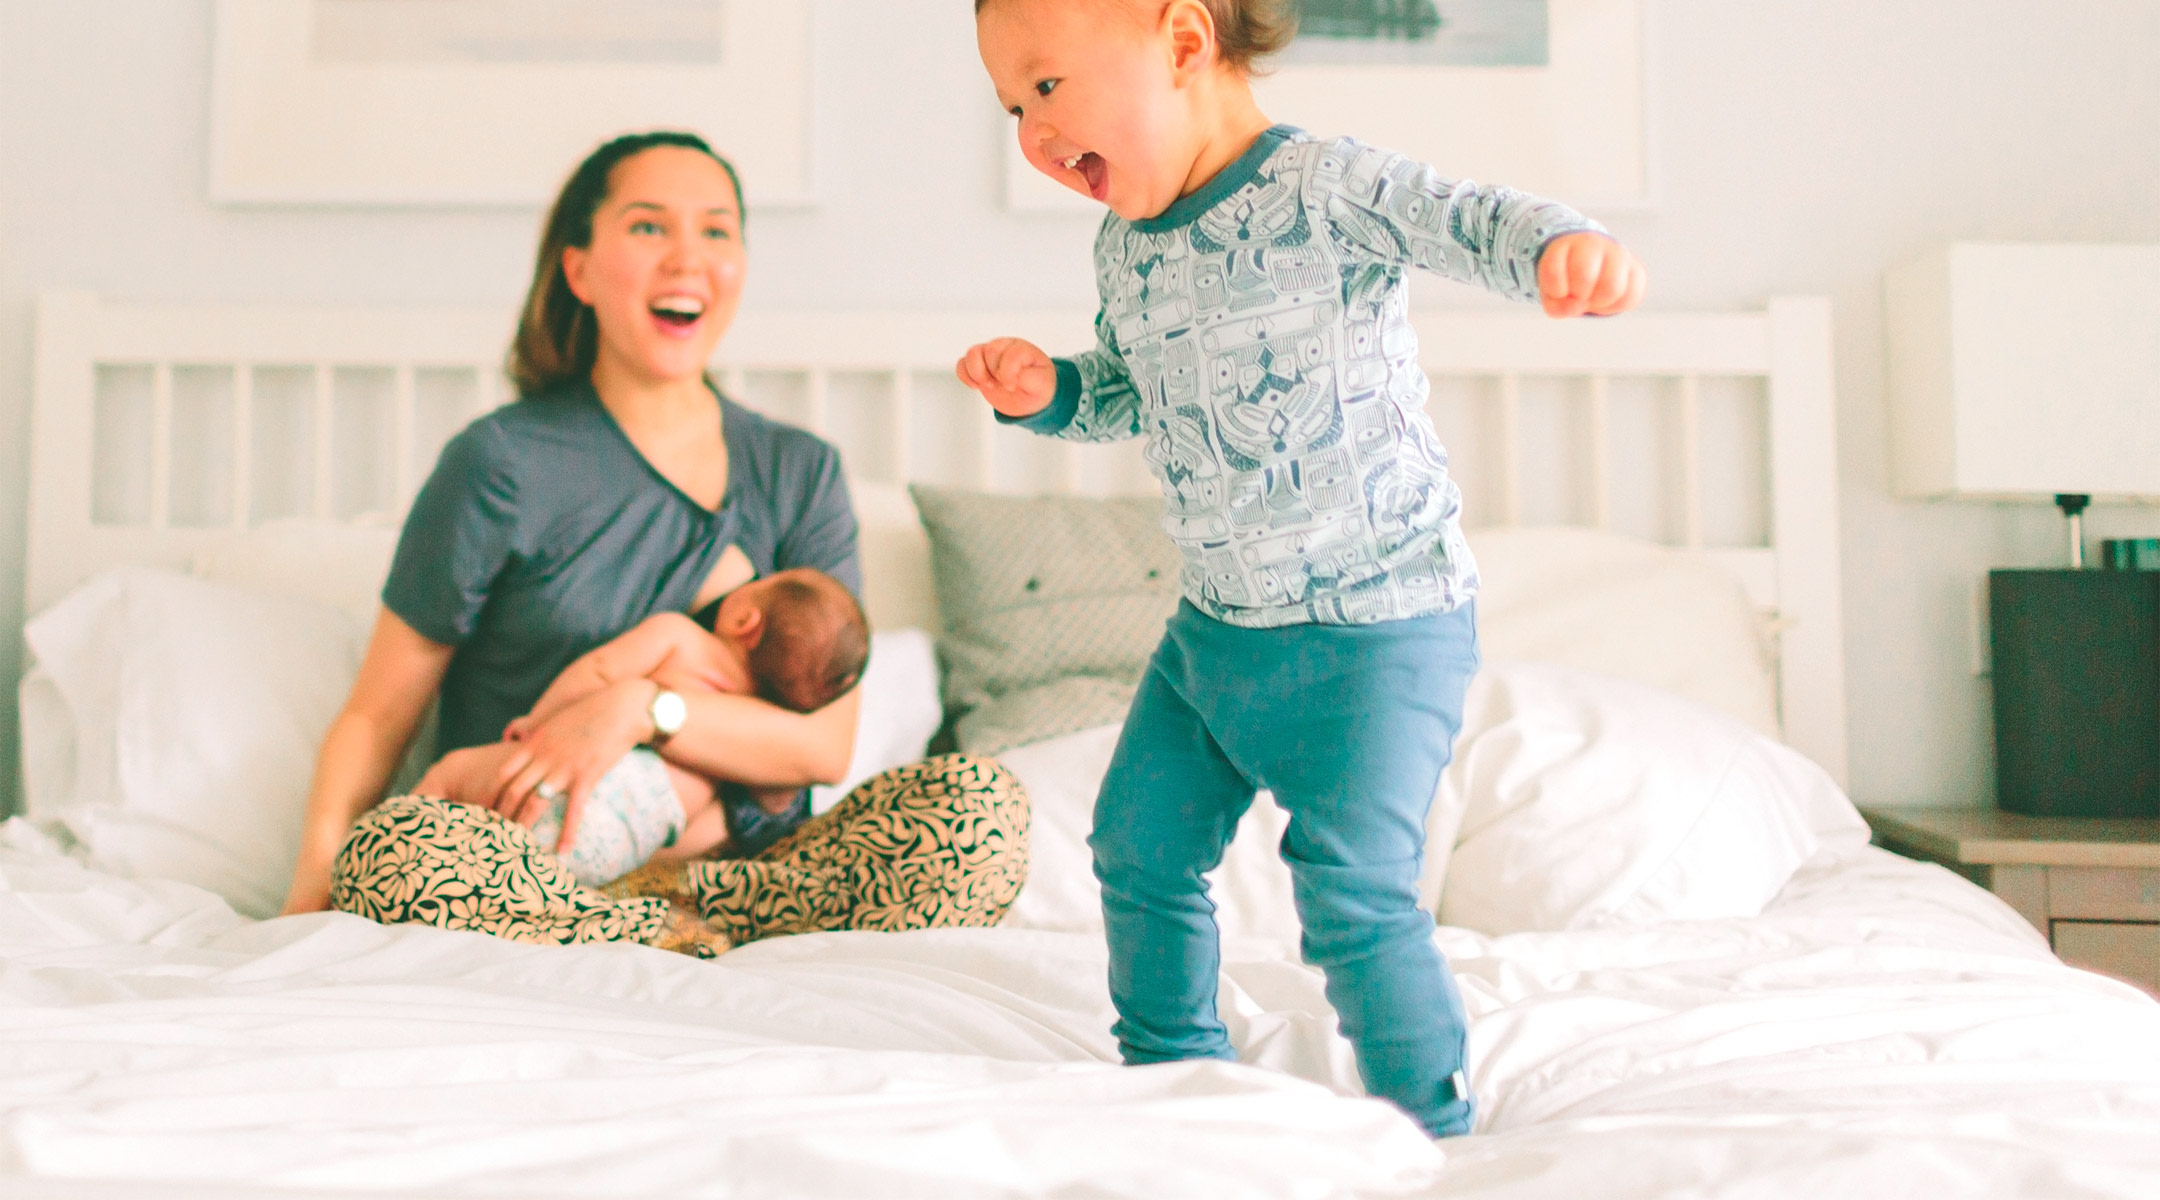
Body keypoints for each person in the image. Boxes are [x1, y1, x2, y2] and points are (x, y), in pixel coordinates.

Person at [958, 0, 1646, 1137]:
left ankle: (1430, 1122)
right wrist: (1056, 393)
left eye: (1044, 88)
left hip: (1378, 625)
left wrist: (1556, 246)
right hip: (1215, 633)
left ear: (1182, 43)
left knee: (1353, 895)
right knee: (1138, 845)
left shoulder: (1323, 186)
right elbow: (1137, 390)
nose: (1031, 132)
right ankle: (1173, 1067)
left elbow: (1465, 218)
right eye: (1011, 108)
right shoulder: (1125, 244)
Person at [283, 130, 1027, 955]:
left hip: (750, 873)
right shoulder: (499, 463)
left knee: (979, 819)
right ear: (578, 269)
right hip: (535, 869)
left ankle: (666, 929)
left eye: (716, 230)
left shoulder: (799, 471)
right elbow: (377, 715)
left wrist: (641, 709)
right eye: (647, 227)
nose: (687, 258)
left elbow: (821, 745)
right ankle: (639, 930)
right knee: (395, 857)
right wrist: (310, 891)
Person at [414, 567, 870, 891]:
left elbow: (598, 672)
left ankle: (385, 852)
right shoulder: (752, 732)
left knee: (451, 774)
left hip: (568, 786)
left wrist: (540, 724)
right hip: (616, 851)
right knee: (523, 883)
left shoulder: (682, 638)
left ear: (745, 620)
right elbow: (769, 802)